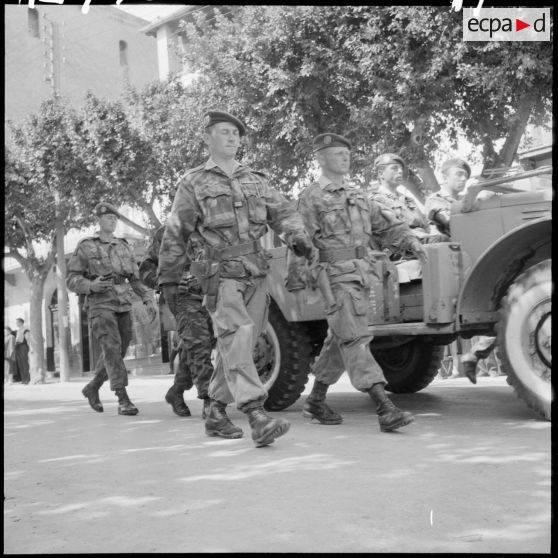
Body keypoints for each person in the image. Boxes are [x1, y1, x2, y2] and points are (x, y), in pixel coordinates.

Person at [158, 110, 313, 447]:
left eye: (236, 134)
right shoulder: (194, 182)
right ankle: (256, 413)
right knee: (238, 336)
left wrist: (297, 236)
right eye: (224, 132)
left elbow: (284, 213)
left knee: (241, 343)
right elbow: (176, 232)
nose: (232, 138)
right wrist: (168, 280)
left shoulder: (255, 179)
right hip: (219, 275)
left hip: (256, 272)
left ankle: (214, 410)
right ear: (207, 138)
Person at [297, 133, 427, 432]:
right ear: (320, 158)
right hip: (334, 276)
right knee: (355, 339)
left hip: (360, 274)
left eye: (347, 152)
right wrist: (308, 280)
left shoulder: (357, 194)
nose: (345, 156)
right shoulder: (311, 196)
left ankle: (316, 401)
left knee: (339, 338)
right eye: (337, 152)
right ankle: (385, 407)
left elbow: (383, 223)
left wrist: (409, 240)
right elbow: (301, 241)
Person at [66, 202, 157, 416]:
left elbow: (135, 278)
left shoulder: (123, 246)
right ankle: (122, 397)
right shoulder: (86, 246)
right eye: (108, 218)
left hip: (123, 302)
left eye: (115, 218)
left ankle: (92, 387)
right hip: (100, 304)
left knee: (120, 348)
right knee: (112, 347)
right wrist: (90, 286)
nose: (113, 221)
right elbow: (71, 279)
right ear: (98, 220)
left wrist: (148, 298)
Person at [425, 157, 497, 384]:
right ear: (444, 176)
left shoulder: (465, 200)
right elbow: (448, 222)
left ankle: (475, 354)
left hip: (469, 258)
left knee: (503, 303)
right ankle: (473, 355)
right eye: (458, 174)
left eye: (466, 175)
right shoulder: (434, 200)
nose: (463, 178)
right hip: (450, 265)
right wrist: (476, 205)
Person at [139, 225, 213, 419]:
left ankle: (176, 392)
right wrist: (169, 280)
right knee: (199, 344)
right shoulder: (166, 233)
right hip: (183, 298)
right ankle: (210, 401)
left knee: (194, 347)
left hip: (212, 295)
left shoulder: (212, 227)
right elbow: (146, 270)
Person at [368, 153, 448, 254]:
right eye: (394, 168)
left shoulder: (408, 200)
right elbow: (392, 231)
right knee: (443, 241)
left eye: (401, 169)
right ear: (381, 174)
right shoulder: (376, 200)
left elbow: (426, 224)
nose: (400, 171)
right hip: (400, 250)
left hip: (423, 242)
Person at [13, 318, 30, 384]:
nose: (16, 323)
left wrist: (29, 348)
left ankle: (27, 379)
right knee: (20, 363)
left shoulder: (25, 330)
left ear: (21, 322)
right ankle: (23, 379)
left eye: (17, 322)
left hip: (23, 346)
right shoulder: (17, 331)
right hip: (17, 347)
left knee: (24, 363)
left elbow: (28, 339)